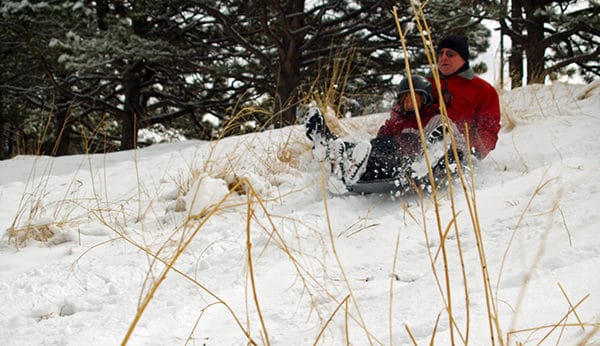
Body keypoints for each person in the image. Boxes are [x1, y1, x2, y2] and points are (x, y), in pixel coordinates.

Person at [305, 75, 448, 188]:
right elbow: (379, 142)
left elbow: (447, 144)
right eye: (406, 100)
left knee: (386, 152)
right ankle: (330, 143)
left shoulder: (434, 120)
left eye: (414, 99)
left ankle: (352, 166)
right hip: (383, 156)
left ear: (425, 100)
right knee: (373, 146)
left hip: (406, 164)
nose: (409, 103)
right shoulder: (397, 120)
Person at [428, 35, 501, 160]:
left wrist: (476, 152)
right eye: (440, 54)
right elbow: (402, 115)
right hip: (420, 148)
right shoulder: (422, 85)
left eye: (450, 54)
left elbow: (488, 128)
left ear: (463, 58)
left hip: (461, 154)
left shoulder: (483, 90)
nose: (443, 58)